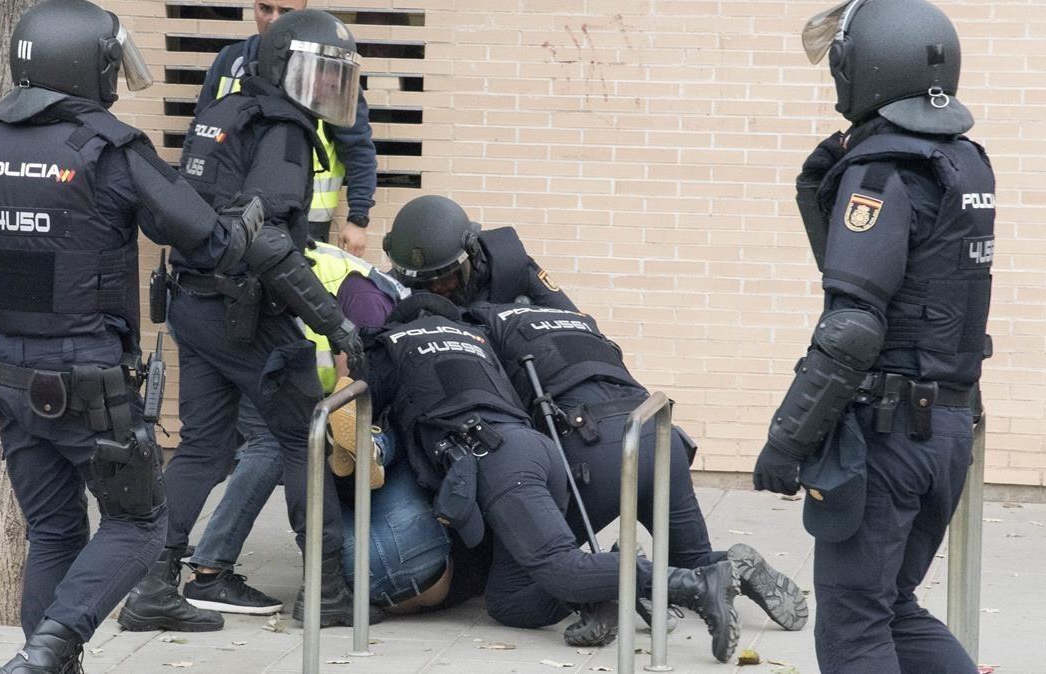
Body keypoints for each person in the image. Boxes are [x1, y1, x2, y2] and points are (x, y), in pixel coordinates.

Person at [0, 0, 261, 670]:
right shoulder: (108, 148)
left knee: (54, 531)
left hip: (8, 376)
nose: (116, 80)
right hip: (87, 380)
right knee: (140, 527)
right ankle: (51, 651)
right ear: (83, 66)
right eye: (108, 65)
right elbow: (206, 240)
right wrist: (247, 223)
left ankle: (43, 661)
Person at [753, 1, 994, 672]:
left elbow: (854, 323)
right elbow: (889, 277)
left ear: (866, 68)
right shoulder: (963, 164)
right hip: (945, 427)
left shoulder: (883, 172)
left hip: (888, 438)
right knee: (892, 610)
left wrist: (788, 439)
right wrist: (818, 183)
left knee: (854, 626)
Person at [117, 9, 369, 633]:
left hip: (196, 301)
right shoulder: (282, 130)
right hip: (244, 309)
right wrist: (335, 323)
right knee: (303, 439)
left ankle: (152, 585)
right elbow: (268, 247)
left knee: (203, 445)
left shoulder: (222, 113)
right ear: (286, 69)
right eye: (320, 75)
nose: (330, 90)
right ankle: (330, 591)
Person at [364, 293, 742, 662]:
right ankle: (604, 582)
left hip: (496, 459)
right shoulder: (478, 342)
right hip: (539, 449)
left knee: (559, 567)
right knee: (510, 600)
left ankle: (695, 585)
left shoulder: (392, 347)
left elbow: (363, 418)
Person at [468, 301, 809, 633]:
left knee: (533, 572)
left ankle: (615, 576)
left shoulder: (486, 331)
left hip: (597, 449)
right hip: (657, 432)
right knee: (690, 558)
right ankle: (735, 567)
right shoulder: (569, 317)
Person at [178, 242, 451, 621]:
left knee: (214, 447)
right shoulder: (373, 305)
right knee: (270, 446)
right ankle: (210, 574)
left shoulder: (372, 291)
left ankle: (157, 570)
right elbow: (349, 387)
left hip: (216, 314)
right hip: (240, 335)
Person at [196, 0, 377, 255]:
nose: (274, 20)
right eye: (265, 8)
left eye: (286, 12)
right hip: (225, 216)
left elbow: (358, 148)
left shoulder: (329, 69)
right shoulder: (230, 61)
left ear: (304, 12)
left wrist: (358, 219)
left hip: (303, 221)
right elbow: (201, 132)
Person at [382, 194, 574, 310]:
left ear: (471, 254)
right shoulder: (390, 288)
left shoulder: (510, 265)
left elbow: (571, 320)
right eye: (425, 281)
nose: (437, 288)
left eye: (445, 276)